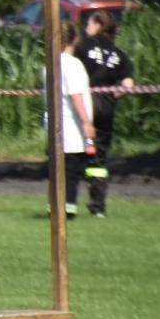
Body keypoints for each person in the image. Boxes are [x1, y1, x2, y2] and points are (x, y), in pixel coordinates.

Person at [73, 11, 135, 217]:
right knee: (99, 158)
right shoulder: (119, 54)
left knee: (71, 152)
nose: (86, 28)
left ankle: (67, 200)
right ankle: (97, 207)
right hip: (106, 107)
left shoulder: (81, 47)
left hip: (84, 103)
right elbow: (127, 85)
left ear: (98, 24)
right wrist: (110, 98)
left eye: (89, 23)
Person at [47, 21, 95, 217]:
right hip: (71, 127)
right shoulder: (73, 64)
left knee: (57, 172)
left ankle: (55, 207)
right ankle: (67, 209)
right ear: (75, 39)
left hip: (54, 126)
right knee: (70, 171)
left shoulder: (50, 63)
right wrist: (87, 123)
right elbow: (76, 96)